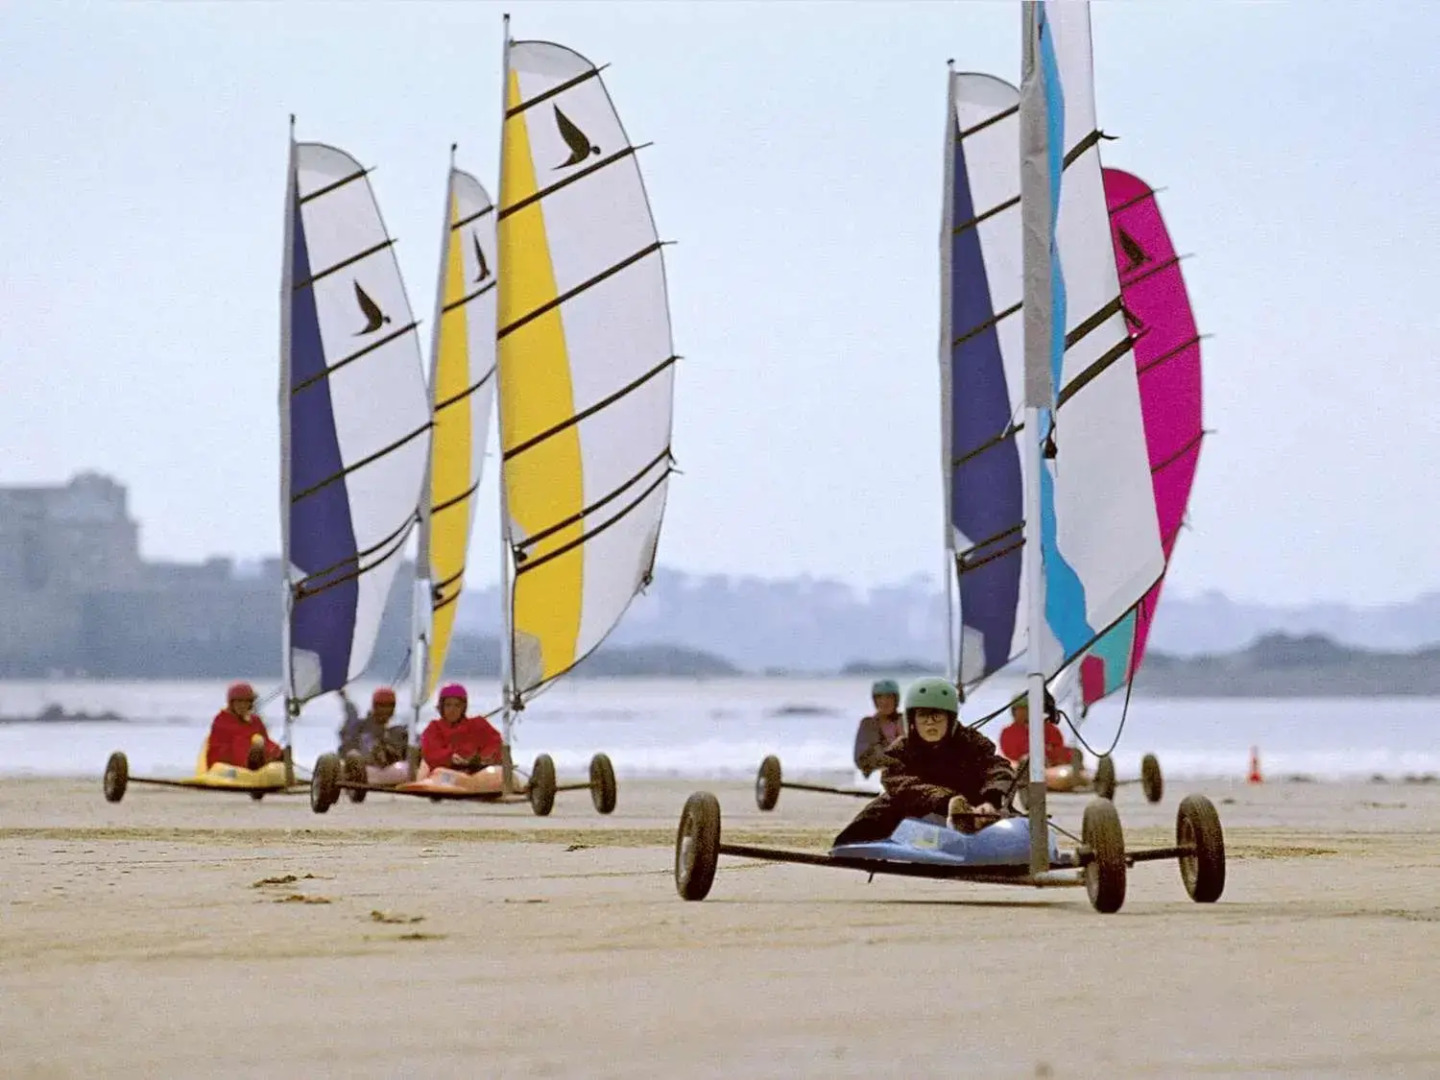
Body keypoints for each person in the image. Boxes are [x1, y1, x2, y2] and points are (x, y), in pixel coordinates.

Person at [832, 676, 1015, 847]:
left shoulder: (971, 742)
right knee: (864, 826)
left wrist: (991, 800)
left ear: (950, 719)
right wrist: (948, 801)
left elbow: (999, 768)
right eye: (923, 716)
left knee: (1016, 825)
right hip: (922, 807)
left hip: (972, 808)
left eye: (936, 716)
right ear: (912, 720)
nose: (930, 723)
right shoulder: (900, 749)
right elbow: (897, 782)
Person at [417, 684, 503, 778]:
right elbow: (431, 752)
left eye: (457, 705)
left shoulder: (478, 724)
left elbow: (495, 744)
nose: (452, 710)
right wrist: (450, 757)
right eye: (448, 705)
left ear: (463, 708)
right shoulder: (434, 727)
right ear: (442, 707)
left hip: (477, 773)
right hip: (445, 773)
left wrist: (484, 758)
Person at [206, 681, 283, 770]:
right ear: (232, 703)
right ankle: (252, 764)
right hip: (226, 764)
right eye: (239, 702)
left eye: (247, 702)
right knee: (243, 741)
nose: (243, 705)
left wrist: (276, 752)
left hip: (255, 759)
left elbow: (266, 740)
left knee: (267, 745)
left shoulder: (255, 720)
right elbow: (220, 750)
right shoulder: (222, 720)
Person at [997, 689, 1070, 768]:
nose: (1024, 712)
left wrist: (1049, 754)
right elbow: (1010, 754)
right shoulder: (1008, 732)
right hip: (1021, 769)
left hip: (1050, 767)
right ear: (1014, 712)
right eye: (1020, 709)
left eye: (1026, 709)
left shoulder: (1048, 728)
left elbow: (1058, 747)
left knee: (1075, 754)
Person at [338, 687, 407, 766]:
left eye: (390, 706)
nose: (385, 710)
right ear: (374, 706)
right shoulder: (360, 727)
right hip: (359, 771)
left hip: (391, 773)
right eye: (381, 705)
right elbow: (348, 747)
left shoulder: (398, 732)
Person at [853, 678, 904, 777]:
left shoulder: (905, 720)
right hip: (877, 777)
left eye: (889, 697)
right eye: (880, 697)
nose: (884, 702)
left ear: (896, 699)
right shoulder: (868, 724)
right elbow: (862, 759)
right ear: (875, 700)